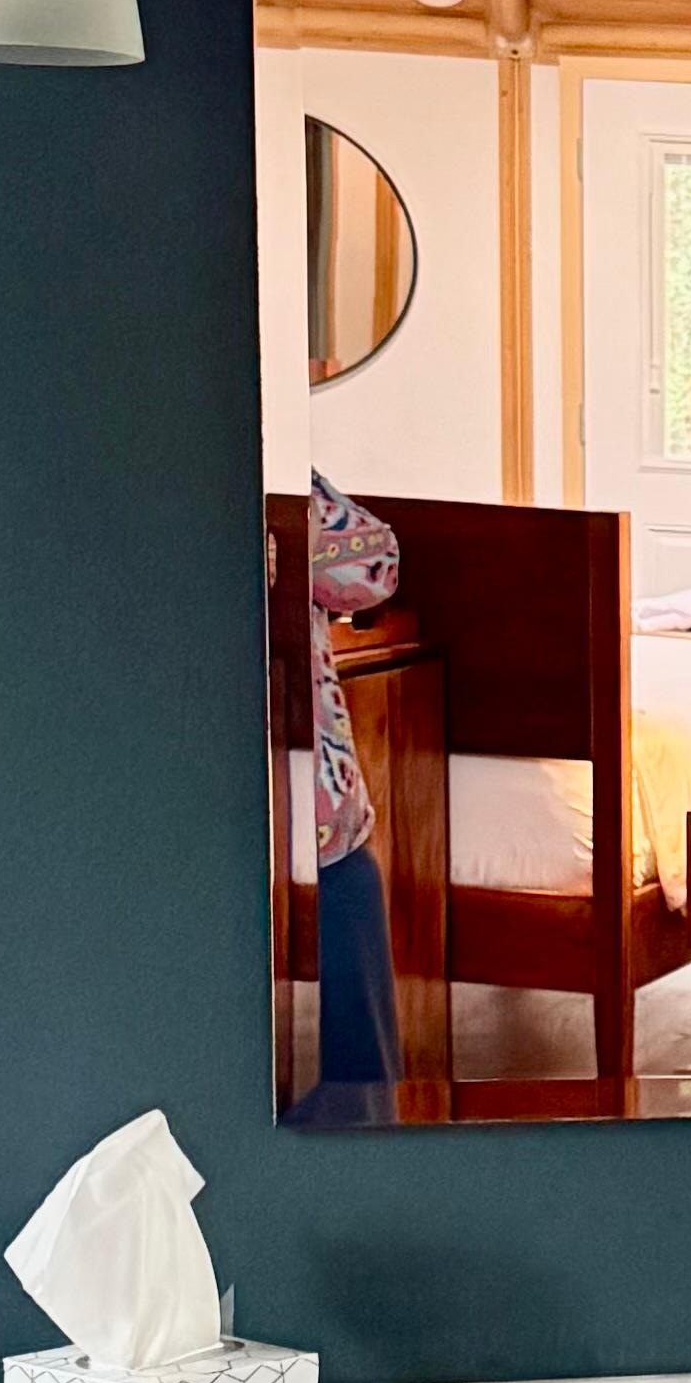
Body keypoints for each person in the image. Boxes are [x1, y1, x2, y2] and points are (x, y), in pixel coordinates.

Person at [293, 472, 404, 1129]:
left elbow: (373, 565)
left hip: (319, 822)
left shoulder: (281, 482)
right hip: (306, 821)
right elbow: (372, 565)